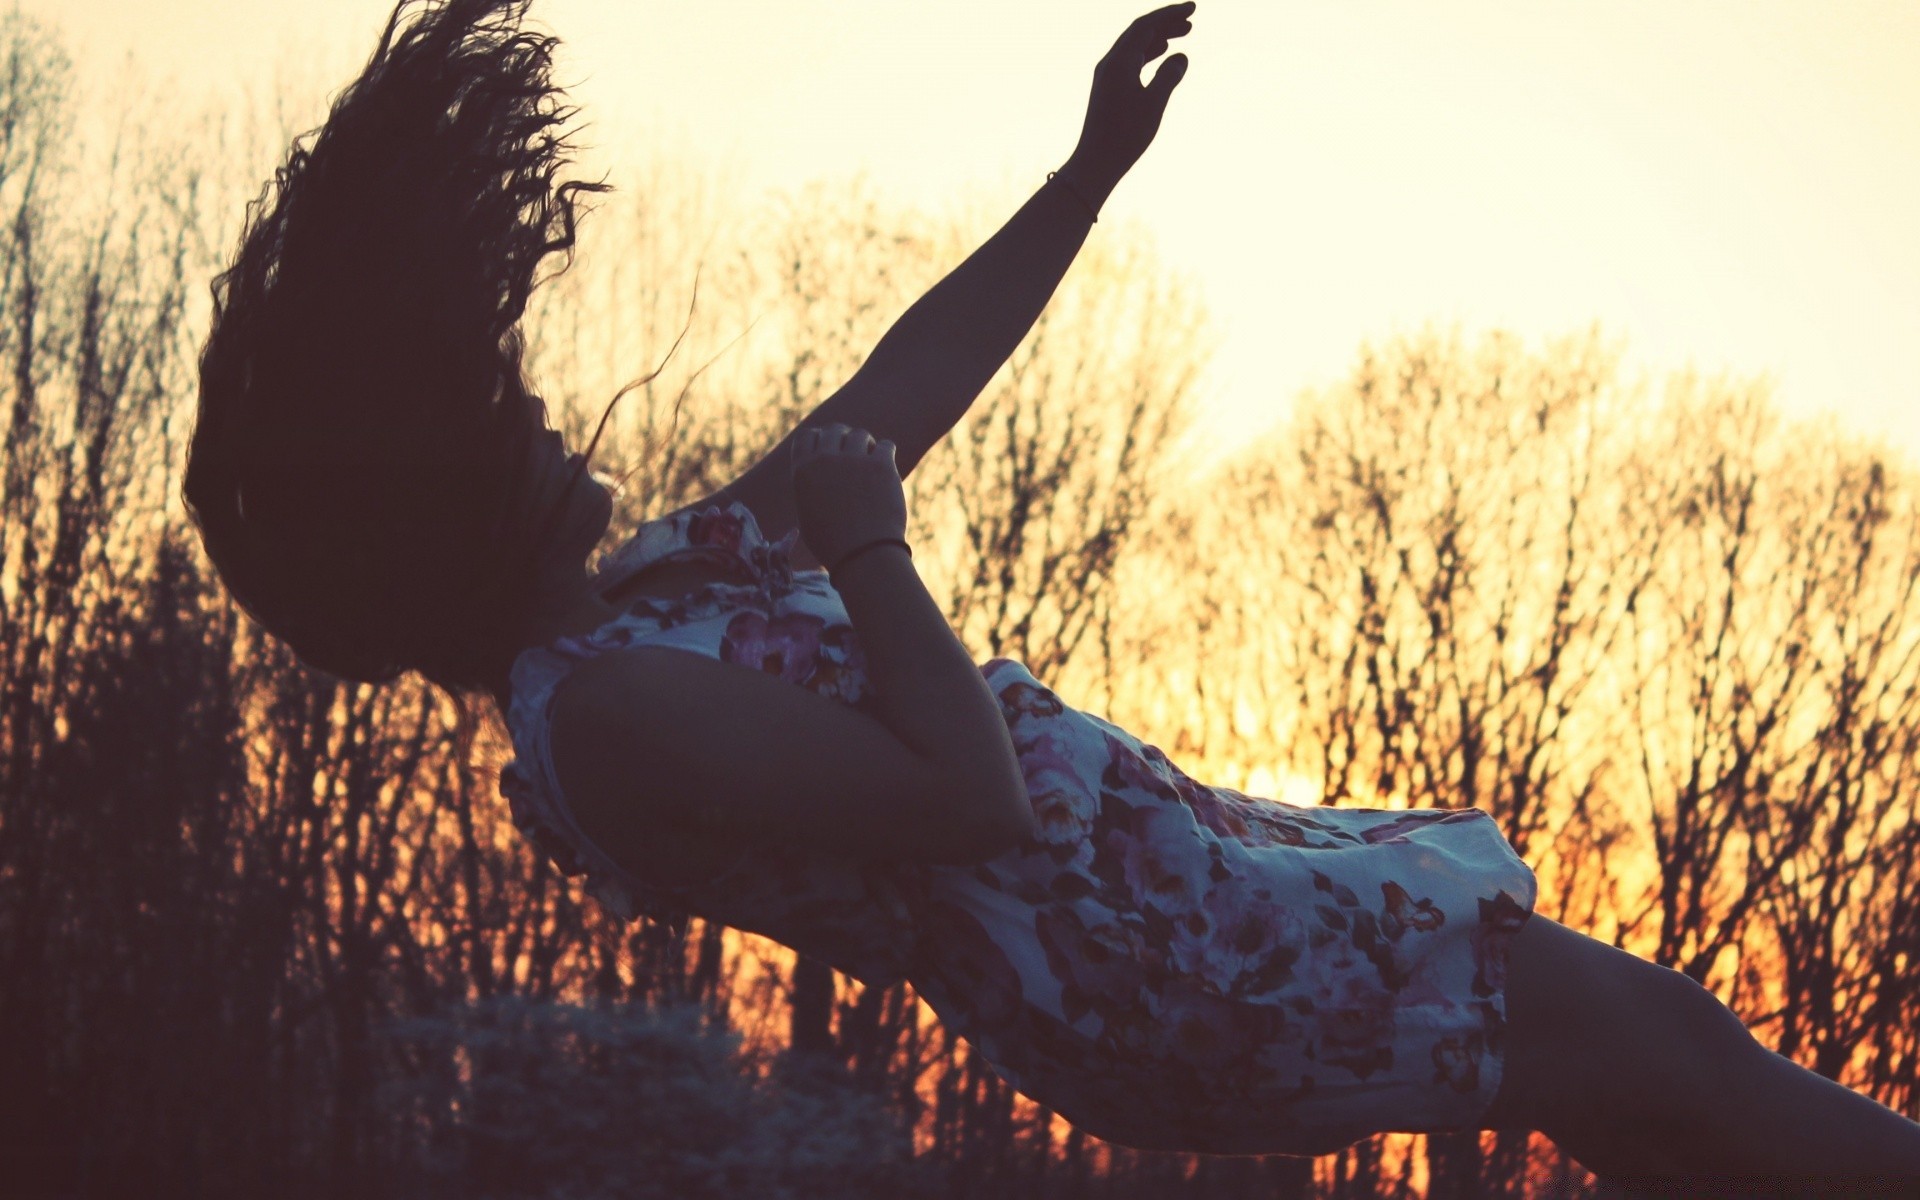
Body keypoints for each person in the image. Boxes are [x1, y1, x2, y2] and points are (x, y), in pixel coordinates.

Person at [182, 0, 1920, 1192]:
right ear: (444, 508)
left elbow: (896, 388)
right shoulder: (607, 716)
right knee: (1660, 1053)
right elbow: (961, 796)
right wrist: (872, 552)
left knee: (1653, 1093)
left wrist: (1082, 178)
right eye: (502, 416)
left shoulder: (628, 624)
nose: (548, 411)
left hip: (1181, 899)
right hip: (1157, 967)